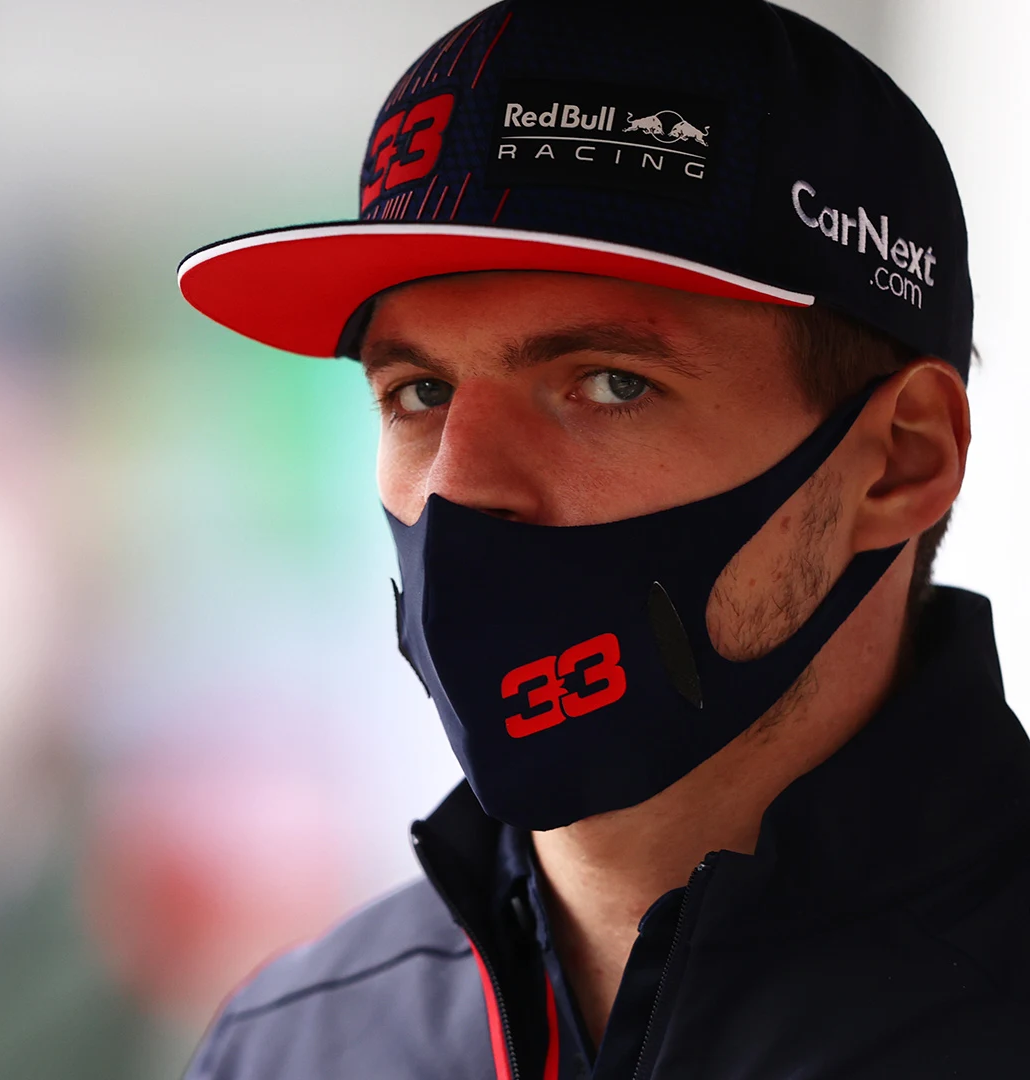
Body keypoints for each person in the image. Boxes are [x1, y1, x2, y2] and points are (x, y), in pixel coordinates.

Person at [174, 2, 1029, 1077]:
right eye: (420, 391)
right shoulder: (289, 1046)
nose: (458, 486)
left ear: (899, 461)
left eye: (611, 384)